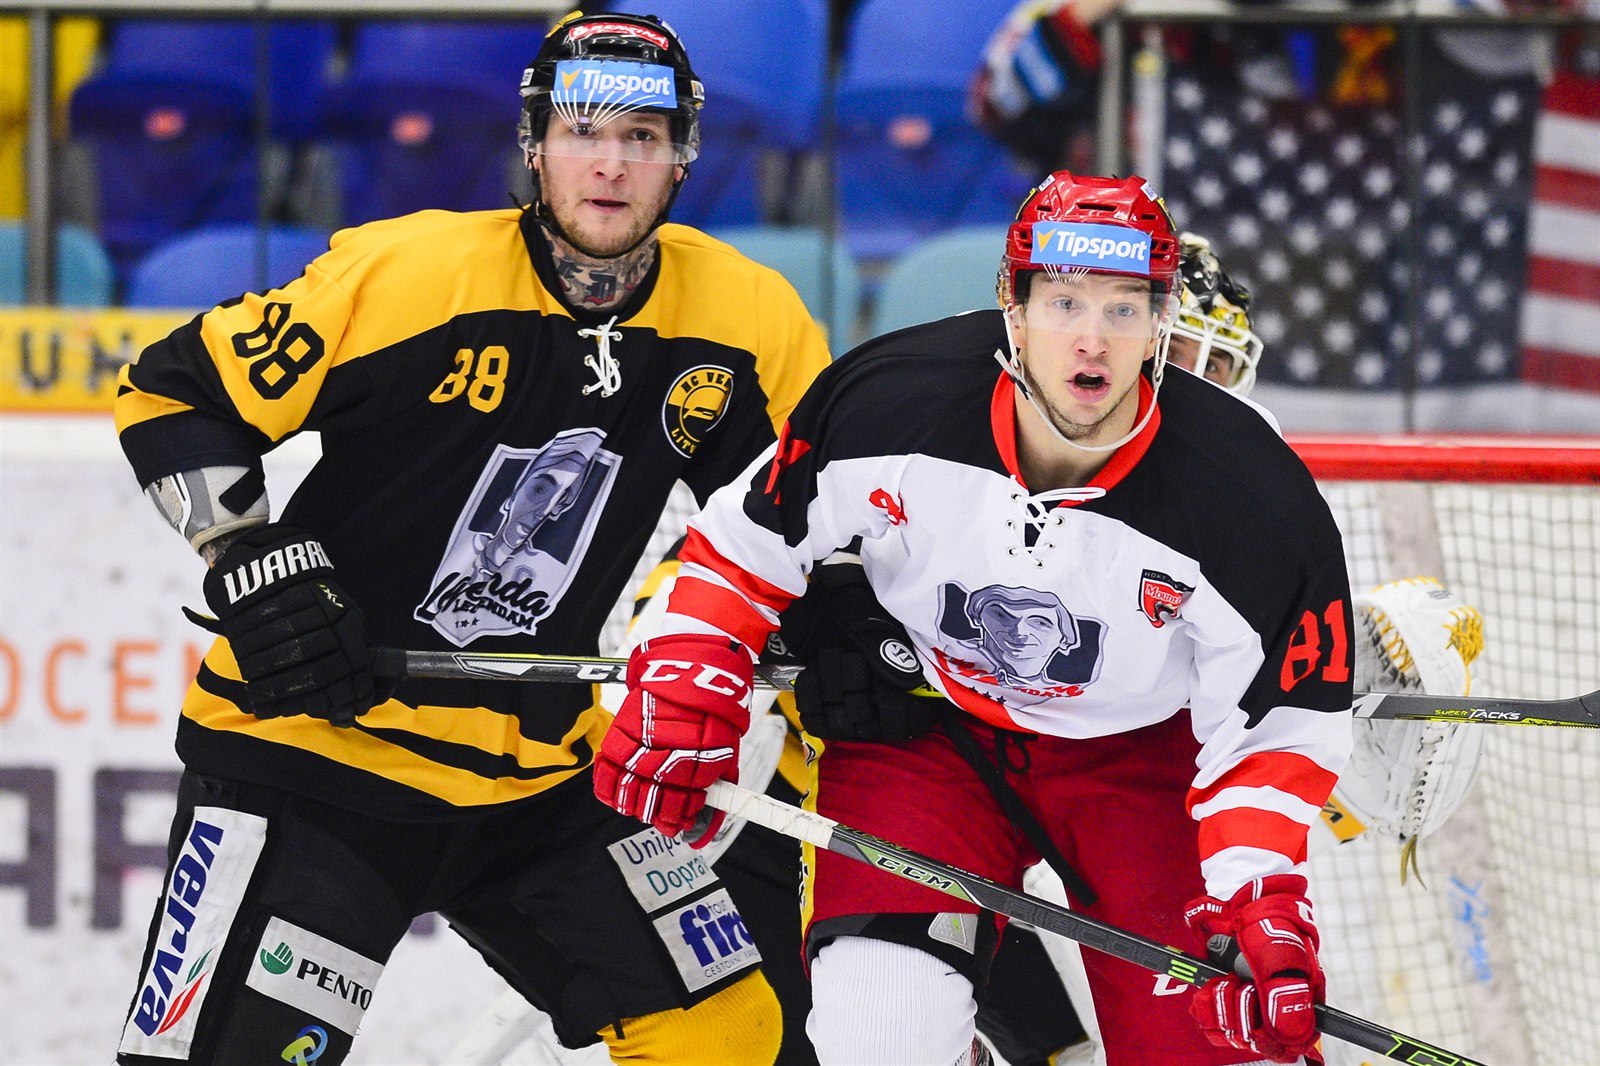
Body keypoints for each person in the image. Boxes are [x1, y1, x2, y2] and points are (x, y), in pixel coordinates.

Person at [110, 11, 830, 1065]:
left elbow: (808, 522)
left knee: (729, 1027)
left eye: (641, 136)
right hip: (317, 753)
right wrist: (249, 561)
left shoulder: (745, 316)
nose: (610, 165)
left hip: (541, 779)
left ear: (683, 155)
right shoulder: (411, 275)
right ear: (535, 143)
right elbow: (174, 394)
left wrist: (844, 653)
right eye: (583, 132)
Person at [595, 171, 1355, 1065]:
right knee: (880, 1044)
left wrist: (1257, 891)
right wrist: (688, 674)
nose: (1091, 339)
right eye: (1064, 302)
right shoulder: (889, 398)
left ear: (1160, 321)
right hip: (930, 740)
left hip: (1145, 768)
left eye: (1123, 309)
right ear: (1013, 305)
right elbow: (744, 543)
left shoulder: (1251, 493)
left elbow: (1275, 725)